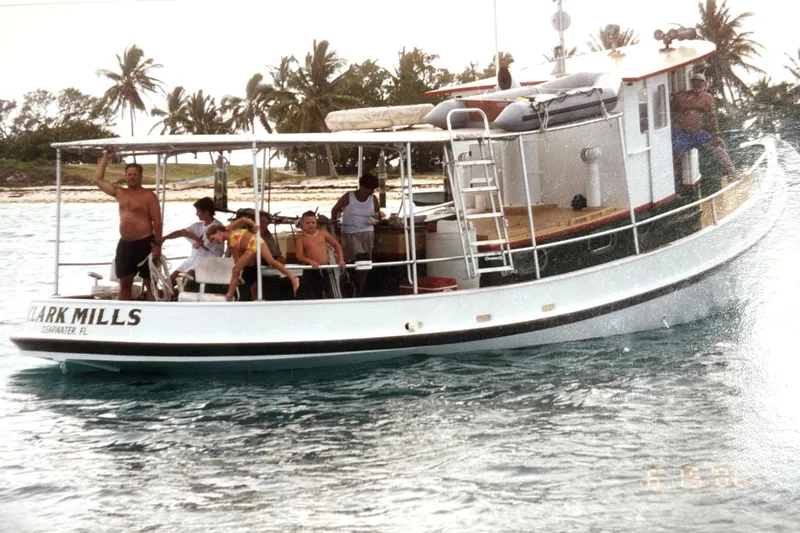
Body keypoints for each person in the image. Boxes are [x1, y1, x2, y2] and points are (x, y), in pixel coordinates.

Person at [93, 150, 162, 301]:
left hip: (145, 242)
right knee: (125, 284)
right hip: (126, 243)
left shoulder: (149, 196)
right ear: (125, 176)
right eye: (129, 174)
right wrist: (105, 157)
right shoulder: (119, 192)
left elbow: (157, 222)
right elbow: (98, 180)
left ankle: (152, 313)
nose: (132, 177)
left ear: (141, 176)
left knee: (150, 283)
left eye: (135, 174)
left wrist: (157, 245)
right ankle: (125, 315)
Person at [206, 218, 299, 301]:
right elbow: (236, 258)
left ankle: (292, 277)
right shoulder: (230, 244)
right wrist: (238, 273)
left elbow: (242, 219)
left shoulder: (229, 228)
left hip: (255, 241)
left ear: (218, 232)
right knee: (236, 269)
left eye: (213, 239)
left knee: (271, 261)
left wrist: (253, 224)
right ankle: (231, 293)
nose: (215, 242)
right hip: (254, 245)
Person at [671, 72, 735, 177]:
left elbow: (712, 117)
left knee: (719, 146)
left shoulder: (707, 98)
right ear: (691, 83)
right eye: (695, 82)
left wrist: (716, 134)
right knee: (677, 159)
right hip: (681, 132)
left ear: (705, 84)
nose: (697, 84)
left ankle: (732, 172)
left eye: (700, 82)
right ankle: (673, 189)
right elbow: (671, 112)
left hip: (697, 132)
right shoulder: (682, 96)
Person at [331, 174, 384, 296]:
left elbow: (377, 215)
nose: (370, 192)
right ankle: (351, 285)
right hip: (351, 233)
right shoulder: (348, 197)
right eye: (368, 189)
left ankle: (360, 288)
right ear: (362, 187)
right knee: (359, 259)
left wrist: (376, 219)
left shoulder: (373, 198)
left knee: (366, 263)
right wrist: (335, 227)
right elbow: (335, 210)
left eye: (372, 190)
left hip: (368, 232)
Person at [162, 197, 224, 290]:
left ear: (206, 212)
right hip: (193, 260)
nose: (196, 214)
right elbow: (182, 232)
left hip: (207, 262)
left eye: (198, 211)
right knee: (169, 280)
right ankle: (166, 301)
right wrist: (164, 238)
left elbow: (206, 246)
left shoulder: (217, 227)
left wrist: (194, 237)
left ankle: (184, 300)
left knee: (186, 279)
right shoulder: (198, 226)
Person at [294, 211, 345, 299]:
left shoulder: (322, 233)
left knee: (333, 293)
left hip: (326, 268)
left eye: (313, 222)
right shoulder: (301, 239)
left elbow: (336, 245)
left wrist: (341, 259)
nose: (311, 225)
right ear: (302, 223)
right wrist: (310, 261)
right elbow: (299, 255)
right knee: (314, 294)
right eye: (308, 223)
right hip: (311, 269)